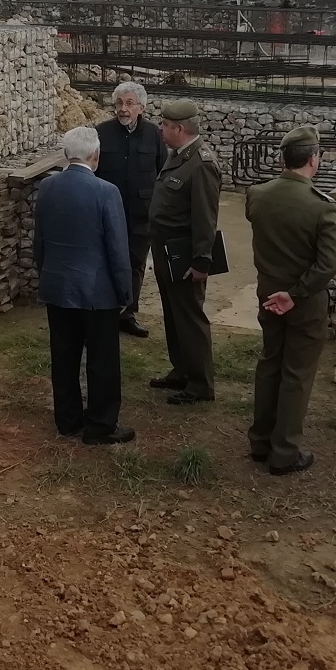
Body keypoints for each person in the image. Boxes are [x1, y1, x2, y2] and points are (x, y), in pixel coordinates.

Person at [245, 126, 336, 475]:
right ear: (314, 160)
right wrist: (297, 293)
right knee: (297, 374)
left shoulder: (257, 194)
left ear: (282, 158)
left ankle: (260, 441)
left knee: (270, 362)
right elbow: (328, 263)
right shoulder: (322, 209)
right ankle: (284, 451)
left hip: (267, 295)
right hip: (302, 302)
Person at [35, 126, 136, 445]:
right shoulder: (107, 192)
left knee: (63, 356)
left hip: (57, 286)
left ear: (66, 155)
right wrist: (125, 292)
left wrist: (47, 273)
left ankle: (67, 420)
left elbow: (39, 242)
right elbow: (118, 249)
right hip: (97, 292)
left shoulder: (47, 187)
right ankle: (100, 425)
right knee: (102, 360)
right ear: (96, 156)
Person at [147, 98, 223, 405]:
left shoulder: (201, 164)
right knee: (174, 316)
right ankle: (182, 370)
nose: (161, 129)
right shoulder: (179, 155)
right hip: (167, 254)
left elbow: (205, 218)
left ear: (179, 128)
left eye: (165, 125)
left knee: (190, 318)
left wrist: (202, 261)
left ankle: (200, 383)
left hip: (185, 256)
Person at [94, 81, 166, 338]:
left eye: (129, 103)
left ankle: (128, 313)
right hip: (108, 214)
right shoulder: (101, 133)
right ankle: (106, 311)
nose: (123, 109)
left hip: (141, 214)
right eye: (119, 104)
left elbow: (163, 172)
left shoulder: (155, 135)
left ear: (141, 108)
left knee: (135, 264)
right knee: (107, 261)